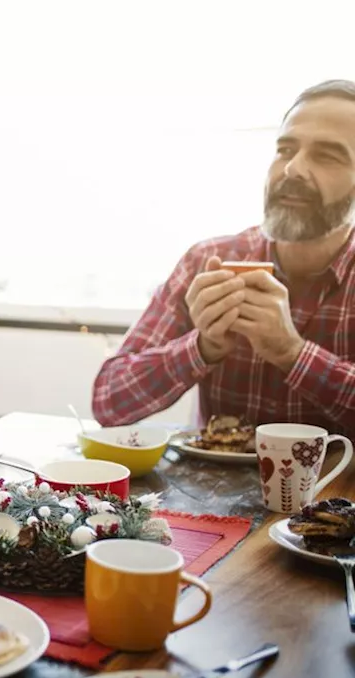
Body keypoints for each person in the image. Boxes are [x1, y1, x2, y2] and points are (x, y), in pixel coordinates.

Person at [93, 80, 355, 438]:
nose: (292, 169)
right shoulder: (209, 260)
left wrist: (292, 354)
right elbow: (109, 402)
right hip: (211, 491)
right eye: (285, 149)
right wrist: (202, 347)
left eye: (327, 155)